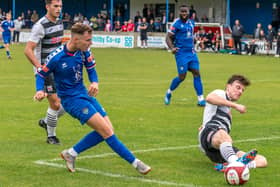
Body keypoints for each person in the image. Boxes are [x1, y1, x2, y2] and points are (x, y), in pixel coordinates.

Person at [33, 23, 152, 175]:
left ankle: (71, 153)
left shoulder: (84, 51)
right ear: (76, 39)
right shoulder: (56, 57)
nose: (91, 43)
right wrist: (39, 91)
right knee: (107, 132)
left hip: (84, 95)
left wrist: (94, 82)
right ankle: (136, 163)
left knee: (108, 129)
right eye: (88, 40)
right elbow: (41, 74)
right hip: (71, 101)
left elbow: (91, 69)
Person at [198, 74, 267, 172]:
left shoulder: (228, 111)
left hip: (217, 147)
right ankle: (236, 164)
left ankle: (235, 165)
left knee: (262, 160)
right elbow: (209, 98)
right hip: (210, 134)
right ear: (228, 86)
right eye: (238, 87)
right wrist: (235, 105)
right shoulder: (221, 93)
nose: (240, 92)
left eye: (242, 90)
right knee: (224, 135)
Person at [24, 0, 65, 145]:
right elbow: (28, 50)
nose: (58, 9)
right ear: (47, 7)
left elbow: (58, 46)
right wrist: (39, 67)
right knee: (55, 103)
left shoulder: (60, 23)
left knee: (67, 101)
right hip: (45, 70)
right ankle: (51, 136)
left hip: (58, 68)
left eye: (60, 6)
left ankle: (47, 121)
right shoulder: (40, 26)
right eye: (55, 6)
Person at [164, 5, 206, 106]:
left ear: (188, 12)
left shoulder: (192, 22)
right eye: (182, 12)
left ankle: (201, 99)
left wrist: (198, 41)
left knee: (197, 73)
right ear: (179, 13)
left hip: (191, 52)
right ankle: (169, 92)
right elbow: (168, 37)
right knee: (182, 77)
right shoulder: (176, 24)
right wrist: (172, 48)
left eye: (185, 12)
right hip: (181, 53)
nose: (184, 14)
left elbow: (190, 35)